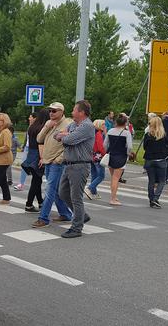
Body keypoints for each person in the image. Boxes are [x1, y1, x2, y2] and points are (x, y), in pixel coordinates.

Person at [31, 102, 74, 228]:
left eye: (54, 111)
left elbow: (70, 144)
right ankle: (65, 214)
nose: (51, 113)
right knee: (55, 191)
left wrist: (59, 159)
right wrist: (46, 127)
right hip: (48, 161)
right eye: (50, 110)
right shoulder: (49, 123)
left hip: (57, 163)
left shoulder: (68, 124)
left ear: (62, 111)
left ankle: (43, 218)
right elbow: (39, 139)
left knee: (49, 191)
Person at [56, 100, 95, 238]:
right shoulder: (73, 124)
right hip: (68, 164)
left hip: (80, 165)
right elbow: (57, 136)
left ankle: (76, 227)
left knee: (76, 197)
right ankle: (82, 215)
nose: (72, 112)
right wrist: (64, 135)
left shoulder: (87, 126)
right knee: (62, 193)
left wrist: (65, 135)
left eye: (74, 110)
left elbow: (68, 140)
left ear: (81, 112)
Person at [21, 109, 50, 212]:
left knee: (36, 180)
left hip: (31, 153)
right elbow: (41, 144)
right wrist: (42, 157)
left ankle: (40, 202)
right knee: (36, 181)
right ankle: (28, 204)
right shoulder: (43, 128)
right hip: (39, 154)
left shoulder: (32, 127)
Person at [103, 115, 133, 206]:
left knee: (113, 178)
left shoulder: (110, 131)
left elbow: (105, 144)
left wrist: (107, 151)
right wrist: (128, 153)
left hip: (111, 156)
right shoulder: (126, 133)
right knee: (116, 178)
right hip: (121, 156)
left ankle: (114, 196)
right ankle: (113, 199)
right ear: (125, 123)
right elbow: (130, 146)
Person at [143, 116, 168, 208]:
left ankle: (151, 199)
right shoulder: (163, 135)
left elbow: (145, 147)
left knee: (151, 181)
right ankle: (156, 198)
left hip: (149, 159)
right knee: (162, 181)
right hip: (160, 159)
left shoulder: (147, 135)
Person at [86, 119, 107, 200]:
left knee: (94, 175)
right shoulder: (98, 134)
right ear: (98, 125)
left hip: (91, 156)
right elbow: (100, 147)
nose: (105, 126)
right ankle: (89, 188)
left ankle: (93, 192)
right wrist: (105, 154)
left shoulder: (92, 133)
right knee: (101, 175)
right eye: (103, 125)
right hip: (98, 157)